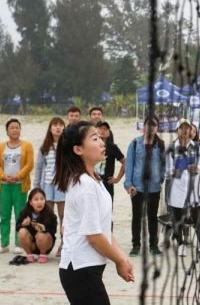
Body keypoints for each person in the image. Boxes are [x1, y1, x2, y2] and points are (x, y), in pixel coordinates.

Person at [53, 121, 133, 304]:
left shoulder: (94, 179)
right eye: (95, 138)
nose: (102, 142)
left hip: (86, 268)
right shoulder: (85, 185)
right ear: (78, 149)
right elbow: (94, 237)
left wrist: (123, 258)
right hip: (80, 268)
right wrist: (119, 261)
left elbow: (103, 230)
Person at [124, 116, 165, 256]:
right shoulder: (135, 143)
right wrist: (128, 184)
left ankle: (153, 245)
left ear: (157, 127)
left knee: (152, 217)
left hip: (154, 187)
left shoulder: (161, 145)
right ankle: (136, 245)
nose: (151, 128)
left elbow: (164, 164)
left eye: (154, 125)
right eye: (148, 125)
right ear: (144, 127)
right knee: (137, 217)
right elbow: (129, 164)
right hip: (137, 187)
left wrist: (160, 177)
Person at [165, 118, 200, 257]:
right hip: (176, 191)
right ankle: (181, 245)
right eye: (181, 128)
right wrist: (183, 168)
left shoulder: (197, 147)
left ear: (190, 131)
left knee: (197, 220)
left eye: (187, 128)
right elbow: (167, 172)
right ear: (177, 131)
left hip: (193, 191)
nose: (184, 131)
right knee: (177, 220)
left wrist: (193, 168)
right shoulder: (171, 148)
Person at [0, 118, 34, 254]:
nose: (15, 130)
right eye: (12, 128)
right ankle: (4, 244)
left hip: (20, 185)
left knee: (20, 215)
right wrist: (3, 176)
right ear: (7, 131)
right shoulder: (1, 146)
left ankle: (19, 244)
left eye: (17, 127)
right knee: (4, 216)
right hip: (4, 186)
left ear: (20, 129)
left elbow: (30, 164)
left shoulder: (27, 145)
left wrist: (18, 176)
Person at [35, 117, 67, 257]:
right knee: (47, 216)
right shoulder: (45, 147)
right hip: (47, 185)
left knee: (63, 216)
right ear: (50, 128)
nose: (58, 127)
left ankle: (64, 244)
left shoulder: (68, 145)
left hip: (62, 185)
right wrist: (37, 187)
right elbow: (39, 167)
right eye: (55, 125)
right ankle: (46, 244)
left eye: (61, 125)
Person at [15, 187, 58, 264]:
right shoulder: (25, 212)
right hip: (31, 244)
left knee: (41, 235)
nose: (39, 202)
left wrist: (44, 229)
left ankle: (43, 255)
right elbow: (17, 227)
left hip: (45, 244)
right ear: (30, 202)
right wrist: (23, 224)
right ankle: (29, 254)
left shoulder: (50, 213)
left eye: (42, 199)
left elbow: (54, 230)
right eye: (36, 199)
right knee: (22, 231)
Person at [94, 121, 125, 201]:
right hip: (92, 183)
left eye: (106, 129)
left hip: (107, 184)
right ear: (95, 130)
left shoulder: (112, 147)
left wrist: (117, 179)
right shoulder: (90, 145)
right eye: (101, 128)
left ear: (109, 132)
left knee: (107, 207)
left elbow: (125, 162)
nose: (103, 130)